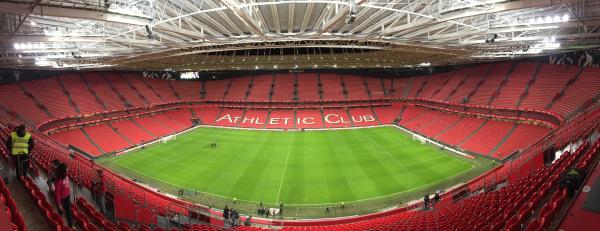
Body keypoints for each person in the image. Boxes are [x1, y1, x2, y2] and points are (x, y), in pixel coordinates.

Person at [54, 164, 73, 228]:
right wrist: (59, 204)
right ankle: (59, 222)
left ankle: (70, 225)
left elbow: (67, 185)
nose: (68, 170)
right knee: (61, 211)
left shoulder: (66, 177)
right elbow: (57, 193)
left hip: (67, 196)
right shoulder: (59, 181)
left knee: (68, 212)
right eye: (66, 169)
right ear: (63, 171)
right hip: (61, 199)